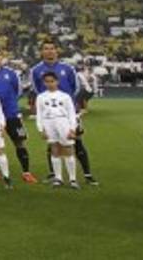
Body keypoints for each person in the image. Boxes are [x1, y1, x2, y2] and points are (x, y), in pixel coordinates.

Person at [30, 41, 96, 184]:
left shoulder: (68, 68)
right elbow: (37, 89)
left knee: (76, 142)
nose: (49, 51)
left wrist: (66, 103)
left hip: (68, 111)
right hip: (49, 114)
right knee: (52, 144)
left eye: (52, 48)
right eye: (46, 49)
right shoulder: (36, 70)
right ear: (42, 52)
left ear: (56, 51)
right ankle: (55, 175)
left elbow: (75, 88)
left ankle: (87, 174)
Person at [0, 48, 34, 182]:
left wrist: (10, 103)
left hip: (11, 114)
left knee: (19, 141)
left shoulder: (11, 74)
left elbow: (18, 91)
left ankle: (26, 172)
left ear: (2, 57)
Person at [35, 71, 80, 189]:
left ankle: (72, 179)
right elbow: (39, 114)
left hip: (63, 122)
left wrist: (72, 129)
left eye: (52, 81)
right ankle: (58, 178)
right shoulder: (40, 97)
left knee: (68, 149)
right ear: (44, 83)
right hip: (48, 122)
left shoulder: (65, 96)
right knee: (54, 149)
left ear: (57, 82)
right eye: (47, 82)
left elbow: (71, 113)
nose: (50, 84)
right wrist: (41, 129)